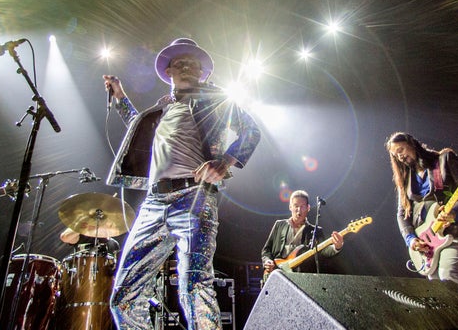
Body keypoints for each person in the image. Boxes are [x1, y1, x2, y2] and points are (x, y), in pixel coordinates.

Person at [104, 37, 261, 330]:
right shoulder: (160, 110)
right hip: (153, 204)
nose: (187, 67)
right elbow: (137, 127)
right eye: (180, 63)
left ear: (202, 72)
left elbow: (251, 132)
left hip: (194, 197)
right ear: (169, 71)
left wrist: (225, 161)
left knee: (194, 288)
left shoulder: (217, 101)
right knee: (123, 298)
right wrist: (120, 97)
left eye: (193, 64)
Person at [385, 131, 458, 290]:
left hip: (456, 233)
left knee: (449, 278)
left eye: (400, 150)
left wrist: (455, 213)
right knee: (439, 291)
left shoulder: (443, 161)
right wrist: (411, 239)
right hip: (428, 243)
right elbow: (402, 214)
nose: (399, 157)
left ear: (412, 143)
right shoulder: (406, 180)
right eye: (395, 155)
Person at [261, 190, 344, 282]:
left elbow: (324, 251)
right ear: (290, 207)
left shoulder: (315, 230)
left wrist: (337, 247)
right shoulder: (279, 225)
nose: (299, 210)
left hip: (302, 278)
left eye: (302, 207)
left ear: (308, 208)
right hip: (277, 273)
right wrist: (267, 261)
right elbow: (266, 250)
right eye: (296, 206)